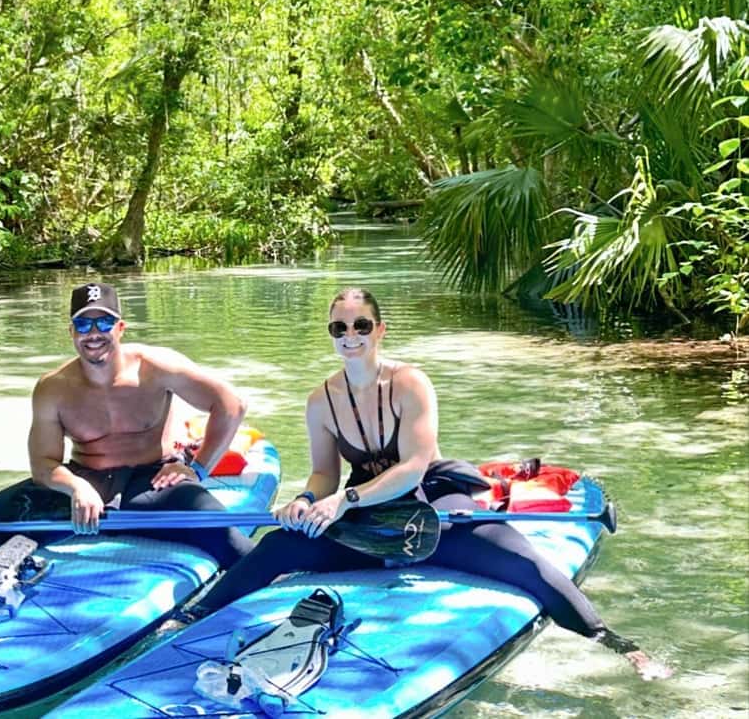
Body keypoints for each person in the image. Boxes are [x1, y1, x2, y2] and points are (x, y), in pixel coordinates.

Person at [175, 287, 671, 681]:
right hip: (363, 510)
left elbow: (413, 467)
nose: (350, 335)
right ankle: (186, 622)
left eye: (360, 325)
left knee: (523, 563)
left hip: (431, 497)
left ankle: (617, 644)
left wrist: (341, 500)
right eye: (339, 327)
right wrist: (307, 499)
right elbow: (325, 471)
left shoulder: (411, 383)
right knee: (278, 549)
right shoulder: (319, 400)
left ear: (379, 330)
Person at [0, 281, 253, 568]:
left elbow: (231, 404)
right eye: (83, 325)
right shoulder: (53, 387)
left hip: (152, 480)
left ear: (120, 328)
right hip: (85, 479)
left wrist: (196, 469)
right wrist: (76, 487)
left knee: (224, 538)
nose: (93, 333)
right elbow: (43, 465)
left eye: (104, 323)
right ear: (71, 332)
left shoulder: (156, 367)